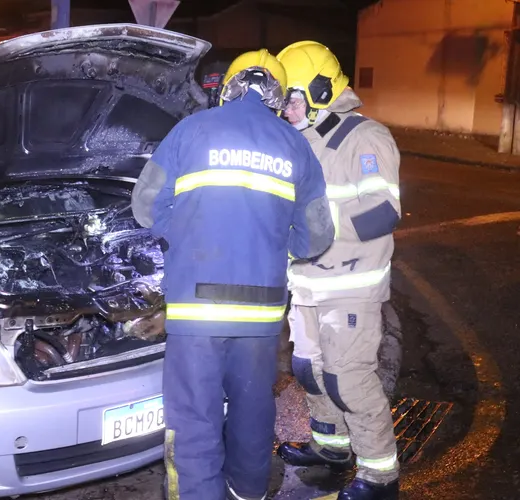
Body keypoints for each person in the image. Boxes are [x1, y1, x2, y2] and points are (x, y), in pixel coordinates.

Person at [131, 49, 334, 500]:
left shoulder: (191, 130)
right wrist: (277, 245)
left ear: (228, 87)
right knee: (253, 407)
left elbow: (145, 208)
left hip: (196, 311)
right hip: (260, 317)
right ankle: (247, 491)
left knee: (195, 418)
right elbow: (317, 236)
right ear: (279, 97)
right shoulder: (295, 145)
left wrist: (180, 233)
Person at [274, 40, 402, 500]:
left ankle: (380, 477)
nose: (286, 109)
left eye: (292, 97)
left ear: (321, 89)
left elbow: (381, 212)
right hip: (307, 284)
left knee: (348, 378)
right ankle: (331, 449)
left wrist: (308, 223)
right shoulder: (300, 141)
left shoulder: (365, 137)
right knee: (310, 371)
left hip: (349, 285)